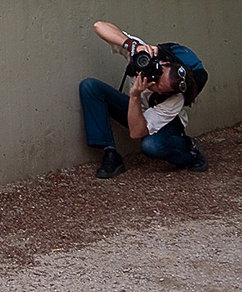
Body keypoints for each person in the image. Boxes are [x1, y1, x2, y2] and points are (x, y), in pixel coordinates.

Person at [79, 21, 209, 179]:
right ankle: (110, 153)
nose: (152, 83)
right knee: (90, 87)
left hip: (166, 124)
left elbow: (136, 132)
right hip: (139, 112)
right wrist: (132, 45)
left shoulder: (175, 100)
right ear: (164, 64)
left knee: (151, 146)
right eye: (157, 77)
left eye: (159, 88)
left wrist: (134, 95)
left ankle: (188, 151)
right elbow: (99, 26)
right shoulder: (145, 58)